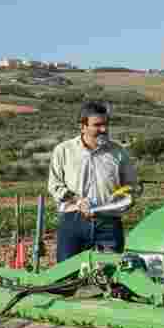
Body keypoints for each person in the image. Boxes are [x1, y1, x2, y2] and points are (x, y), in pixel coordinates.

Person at [47, 101, 139, 262]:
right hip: (73, 221)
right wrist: (77, 201)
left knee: (113, 279)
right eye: (97, 125)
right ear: (83, 126)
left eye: (106, 124)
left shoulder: (118, 152)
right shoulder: (64, 150)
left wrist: (127, 197)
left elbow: (131, 186)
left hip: (108, 223)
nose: (103, 129)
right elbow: (55, 186)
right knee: (66, 279)